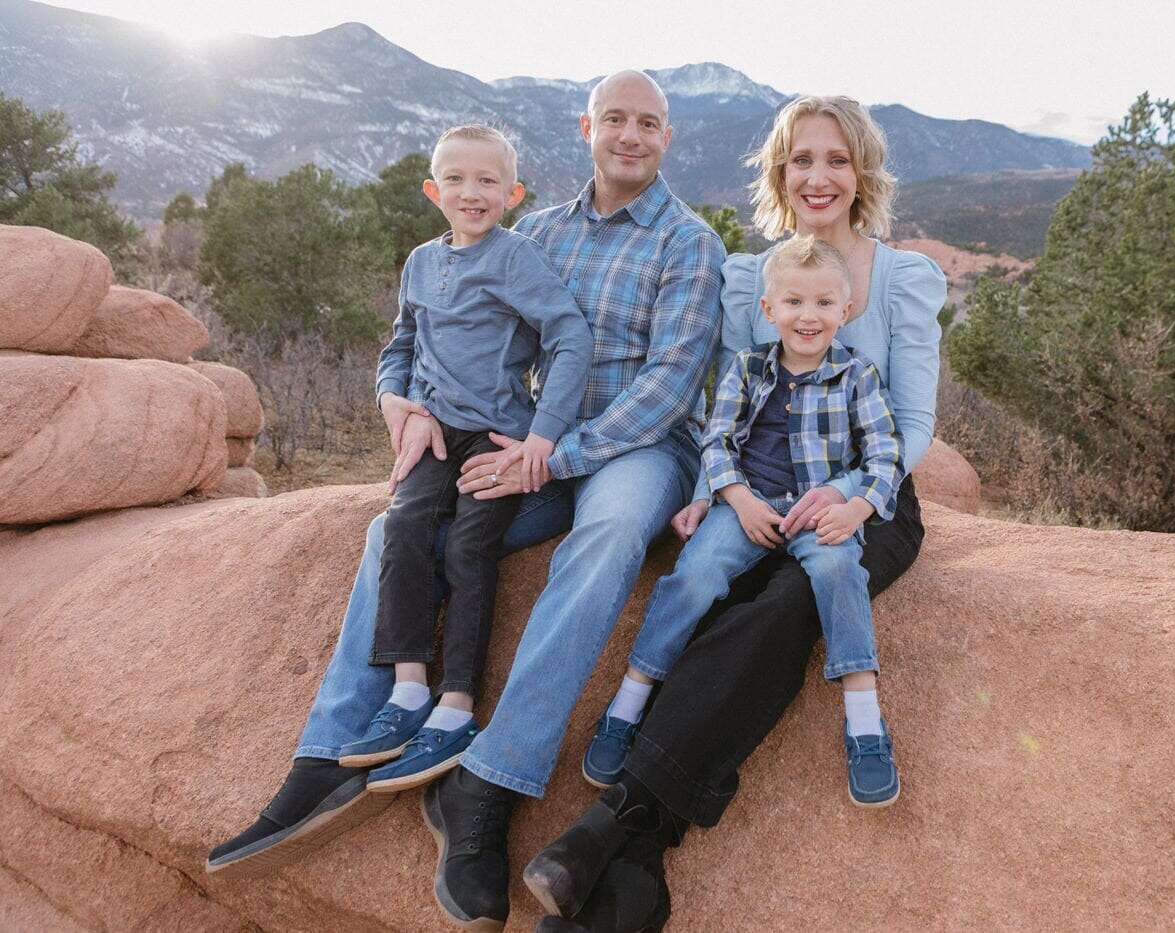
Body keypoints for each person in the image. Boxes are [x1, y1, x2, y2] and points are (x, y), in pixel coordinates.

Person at [205, 71, 726, 931]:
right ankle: (330, 752)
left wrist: (553, 458)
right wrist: (398, 406)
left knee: (605, 537)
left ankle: (485, 784)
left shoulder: (687, 242)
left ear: (666, 137)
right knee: (399, 524)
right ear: (587, 128)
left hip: (632, 450)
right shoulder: (539, 232)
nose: (631, 135)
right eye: (615, 120)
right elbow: (433, 332)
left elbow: (671, 385)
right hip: (521, 441)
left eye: (650, 123)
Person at [523, 94, 946, 932]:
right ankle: (636, 866)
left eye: (835, 159)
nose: (817, 176)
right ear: (778, 174)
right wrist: (706, 493)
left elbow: (917, 422)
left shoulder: (901, 278)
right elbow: (727, 401)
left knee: (788, 604)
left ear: (862, 172)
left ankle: (613, 821)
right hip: (754, 488)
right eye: (800, 160)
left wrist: (859, 499)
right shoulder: (752, 279)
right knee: (714, 589)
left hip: (868, 497)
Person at [579, 235, 905, 813]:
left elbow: (884, 455)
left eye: (825, 304)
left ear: (846, 311)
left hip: (819, 509)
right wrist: (735, 499)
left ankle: (863, 719)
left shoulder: (860, 376)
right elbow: (719, 439)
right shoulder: (746, 369)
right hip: (747, 504)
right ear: (768, 309)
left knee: (838, 573)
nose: (809, 317)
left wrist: (855, 508)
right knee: (695, 577)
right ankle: (631, 700)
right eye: (795, 303)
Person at [336, 124, 592, 796]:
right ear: (432, 190)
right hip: (433, 431)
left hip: (496, 435)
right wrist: (396, 401)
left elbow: (569, 335)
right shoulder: (421, 262)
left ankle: (455, 706)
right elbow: (401, 344)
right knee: (405, 526)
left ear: (513, 193)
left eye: (486, 182)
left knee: (469, 546)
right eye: (456, 179)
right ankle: (407, 690)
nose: (470, 193)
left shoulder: (515, 259)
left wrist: (544, 435)